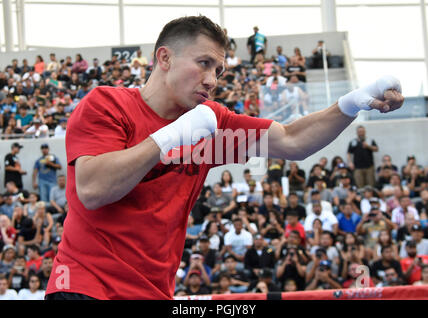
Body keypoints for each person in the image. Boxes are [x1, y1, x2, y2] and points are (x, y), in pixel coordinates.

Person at [45, 16, 404, 300]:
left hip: (153, 292)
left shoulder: (211, 123)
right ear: (164, 58)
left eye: (218, 70)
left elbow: (293, 141)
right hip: (85, 287)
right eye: (203, 63)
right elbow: (93, 189)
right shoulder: (108, 104)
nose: (212, 80)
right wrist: (172, 135)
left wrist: (353, 101)